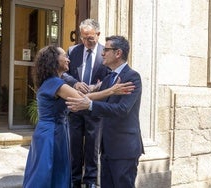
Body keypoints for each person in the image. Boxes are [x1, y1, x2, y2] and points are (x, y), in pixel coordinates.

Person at [22, 44, 134, 188]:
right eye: (64, 56)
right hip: (51, 134)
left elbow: (83, 97)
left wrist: (100, 88)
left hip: (52, 131)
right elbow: (84, 98)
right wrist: (111, 91)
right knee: (45, 174)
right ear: (54, 60)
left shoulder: (51, 82)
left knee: (49, 171)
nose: (68, 59)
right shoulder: (56, 83)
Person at [66, 35, 144, 188]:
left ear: (118, 53)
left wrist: (89, 105)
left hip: (124, 149)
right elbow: (97, 105)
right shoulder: (109, 78)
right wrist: (81, 106)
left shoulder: (132, 77)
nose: (102, 53)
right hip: (107, 148)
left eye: (106, 50)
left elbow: (122, 110)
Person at [66, 18, 110, 188]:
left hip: (94, 108)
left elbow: (110, 78)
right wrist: (74, 83)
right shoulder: (72, 51)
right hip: (75, 108)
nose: (86, 42)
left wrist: (97, 86)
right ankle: (74, 180)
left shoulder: (105, 52)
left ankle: (91, 182)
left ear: (98, 34)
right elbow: (63, 74)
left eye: (90, 38)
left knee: (92, 149)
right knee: (74, 148)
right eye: (83, 38)